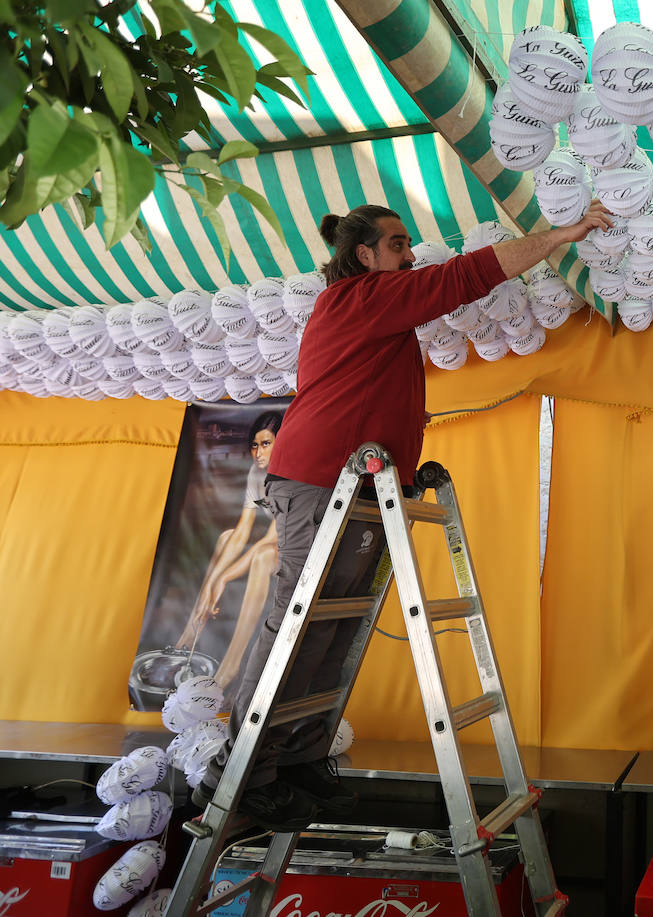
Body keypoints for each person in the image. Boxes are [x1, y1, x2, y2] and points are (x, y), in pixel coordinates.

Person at [196, 200, 613, 830]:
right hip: (319, 482)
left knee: (336, 625)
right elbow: (466, 278)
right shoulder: (359, 297)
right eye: (397, 244)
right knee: (300, 624)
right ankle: (241, 768)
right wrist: (566, 233)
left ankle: (295, 754)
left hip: (353, 484)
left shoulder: (373, 309)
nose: (410, 254)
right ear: (363, 256)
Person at [176, 410, 282, 689]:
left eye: (266, 444)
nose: (258, 452)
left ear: (281, 443)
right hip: (277, 540)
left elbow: (272, 539)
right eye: (255, 445)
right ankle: (193, 627)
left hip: (302, 543)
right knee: (226, 537)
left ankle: (231, 666)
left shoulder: (288, 476)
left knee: (262, 557)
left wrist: (224, 577)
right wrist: (212, 584)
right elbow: (244, 529)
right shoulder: (256, 473)